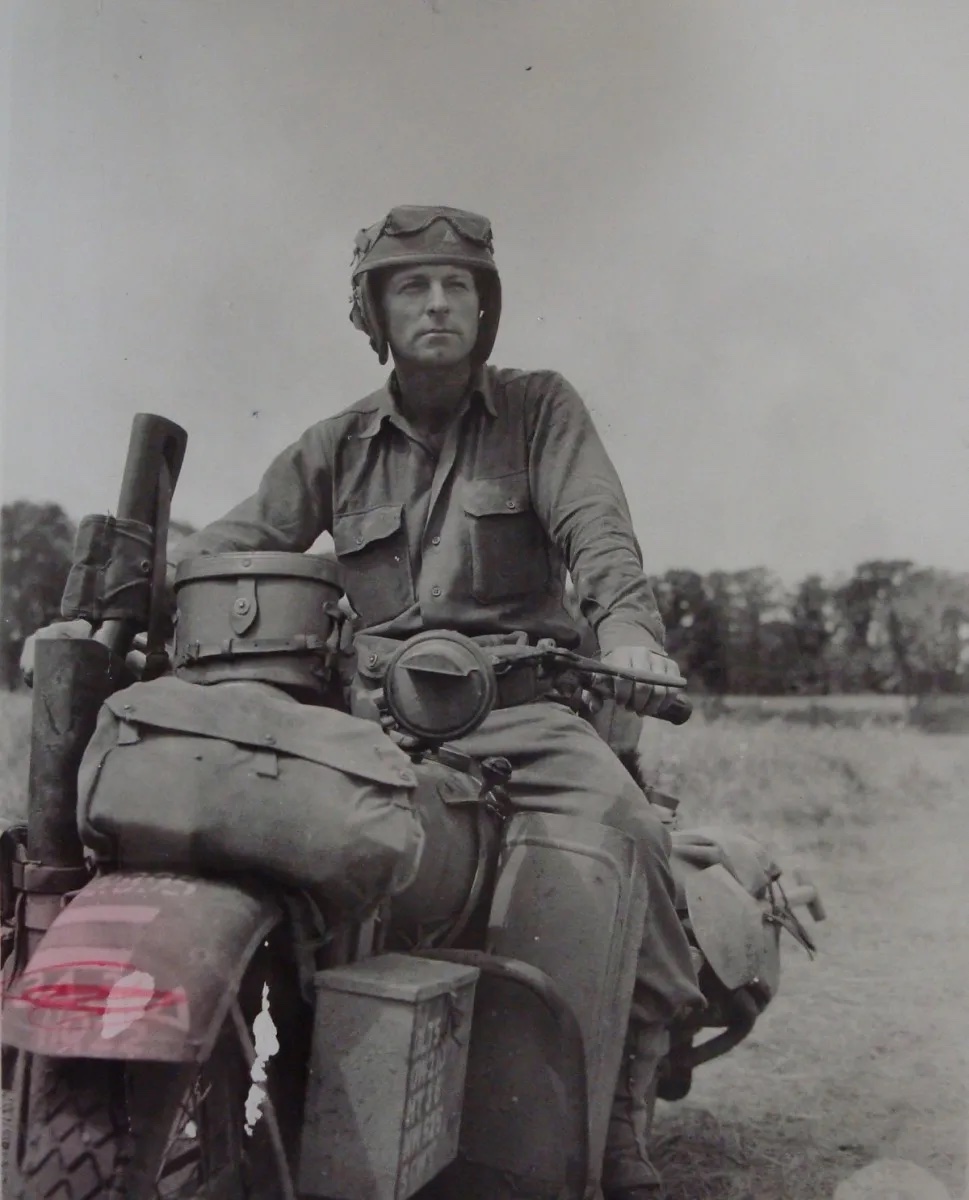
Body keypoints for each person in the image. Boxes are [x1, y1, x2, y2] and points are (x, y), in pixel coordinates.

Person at [24, 205, 702, 1197]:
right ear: (375, 311)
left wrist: (629, 631)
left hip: (522, 708)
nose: (437, 304)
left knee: (627, 830)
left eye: (456, 286)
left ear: (485, 309)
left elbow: (598, 528)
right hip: (367, 718)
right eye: (412, 286)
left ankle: (623, 1106)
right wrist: (109, 608)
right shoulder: (335, 445)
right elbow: (229, 546)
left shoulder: (539, 410)